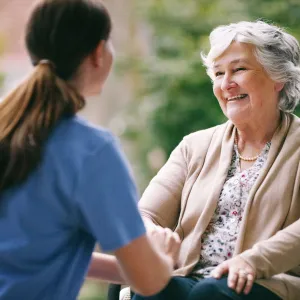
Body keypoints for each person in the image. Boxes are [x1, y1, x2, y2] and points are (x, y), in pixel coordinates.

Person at [0, 0, 180, 299]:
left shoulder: (10, 129)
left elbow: (35, 253)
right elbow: (150, 283)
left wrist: (134, 265)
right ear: (98, 53)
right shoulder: (92, 152)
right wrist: (163, 257)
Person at [132, 20, 300, 300]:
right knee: (153, 291)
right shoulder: (194, 146)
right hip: (192, 276)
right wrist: (153, 235)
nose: (226, 84)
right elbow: (146, 214)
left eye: (239, 70)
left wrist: (252, 261)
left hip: (269, 282)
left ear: (278, 77)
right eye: (218, 73)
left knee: (210, 295)